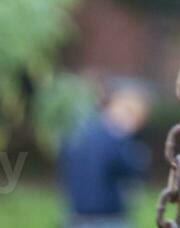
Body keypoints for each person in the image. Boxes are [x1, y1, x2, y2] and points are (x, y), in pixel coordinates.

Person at [57, 77, 151, 228]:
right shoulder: (117, 138)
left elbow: (64, 160)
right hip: (107, 216)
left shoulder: (81, 130)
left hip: (75, 214)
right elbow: (133, 169)